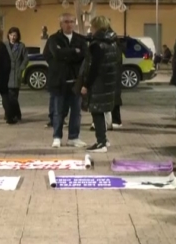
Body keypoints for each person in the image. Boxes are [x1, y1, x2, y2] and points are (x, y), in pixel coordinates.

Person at [78, 16, 121, 153]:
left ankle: (101, 142)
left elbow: (94, 67)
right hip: (109, 82)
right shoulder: (113, 41)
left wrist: (86, 85)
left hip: (98, 83)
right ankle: (104, 140)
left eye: (92, 26)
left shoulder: (98, 44)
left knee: (96, 111)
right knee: (101, 111)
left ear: (96, 26)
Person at [44, 13, 88, 148]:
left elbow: (84, 56)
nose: (69, 24)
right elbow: (54, 55)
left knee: (76, 111)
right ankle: (57, 137)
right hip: (58, 81)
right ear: (61, 24)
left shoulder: (81, 39)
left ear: (74, 23)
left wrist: (65, 54)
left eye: (71, 22)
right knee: (58, 112)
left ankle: (74, 137)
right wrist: (74, 52)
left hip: (75, 81)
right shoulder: (53, 39)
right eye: (66, 22)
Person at [0, 27, 28, 124]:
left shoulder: (21, 46)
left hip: (16, 73)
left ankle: (14, 114)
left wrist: (21, 68)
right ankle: (10, 114)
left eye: (15, 35)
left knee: (13, 96)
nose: (13, 37)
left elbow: (25, 58)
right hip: (5, 74)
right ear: (8, 35)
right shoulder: (4, 45)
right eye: (11, 35)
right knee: (7, 97)